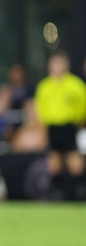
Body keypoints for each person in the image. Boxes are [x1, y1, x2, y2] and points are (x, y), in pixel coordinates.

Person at [34, 50, 86, 200]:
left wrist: (79, 121)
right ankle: (57, 193)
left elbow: (83, 106)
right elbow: (40, 108)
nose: (57, 67)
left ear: (66, 65)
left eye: (60, 63)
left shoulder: (76, 85)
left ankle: (78, 192)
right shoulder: (44, 86)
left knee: (74, 162)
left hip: (70, 127)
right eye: (54, 63)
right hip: (52, 128)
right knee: (54, 163)